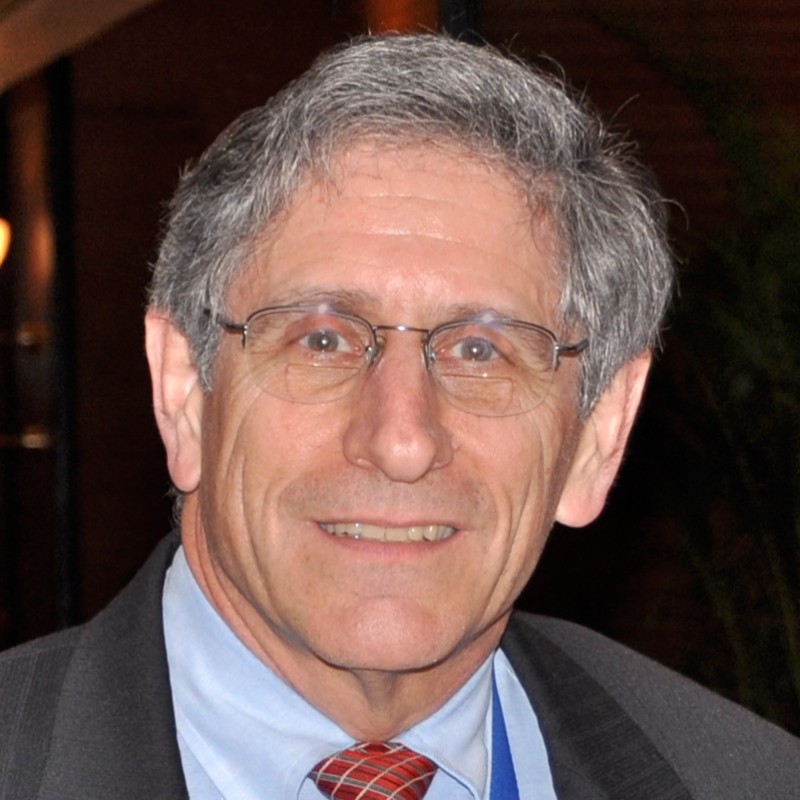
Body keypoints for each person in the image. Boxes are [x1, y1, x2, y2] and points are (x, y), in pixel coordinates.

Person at [1, 33, 798, 800]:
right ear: (184, 390)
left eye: (481, 351)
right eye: (322, 340)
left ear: (599, 433)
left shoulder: (749, 780)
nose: (402, 439)